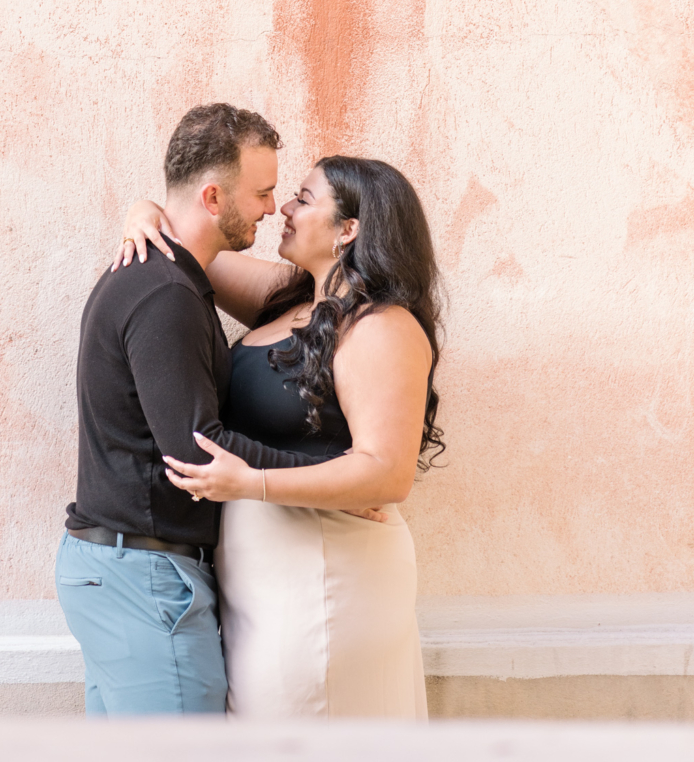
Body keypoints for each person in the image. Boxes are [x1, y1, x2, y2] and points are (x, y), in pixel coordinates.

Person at [116, 152, 445, 719]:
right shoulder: (290, 299)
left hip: (326, 577)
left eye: (303, 198)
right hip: (260, 587)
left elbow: (388, 472)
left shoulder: (380, 326)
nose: (283, 210)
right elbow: (185, 240)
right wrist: (140, 213)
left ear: (349, 230)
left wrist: (252, 482)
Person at [58, 102, 349, 716]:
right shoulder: (165, 293)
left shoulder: (166, 276)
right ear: (213, 198)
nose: (273, 209)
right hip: (145, 577)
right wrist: (330, 476)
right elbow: (195, 450)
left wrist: (145, 209)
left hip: (120, 568)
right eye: (263, 193)